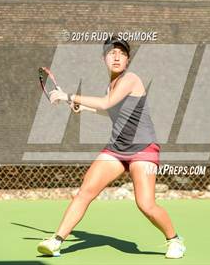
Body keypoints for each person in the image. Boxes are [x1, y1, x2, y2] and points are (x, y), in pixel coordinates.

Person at [37, 36, 186, 259]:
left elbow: (106, 103)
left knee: (145, 204)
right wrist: (84, 108)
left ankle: (174, 240)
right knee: (85, 192)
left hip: (143, 149)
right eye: (111, 53)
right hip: (116, 150)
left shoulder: (131, 79)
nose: (116, 57)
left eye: (122, 53)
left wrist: (68, 95)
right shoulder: (112, 85)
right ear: (104, 58)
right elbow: (110, 110)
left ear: (127, 61)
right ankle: (56, 241)